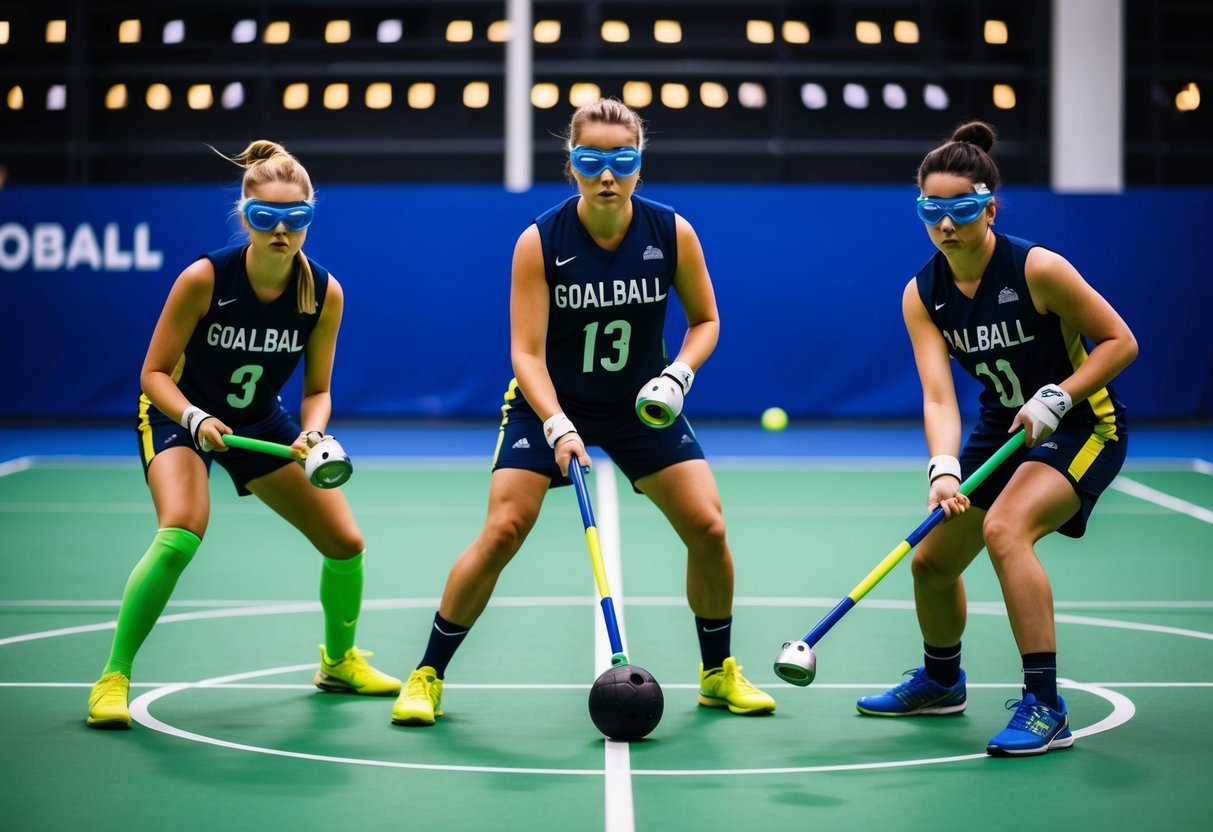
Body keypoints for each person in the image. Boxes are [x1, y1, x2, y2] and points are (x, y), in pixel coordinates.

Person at [390, 98, 775, 727]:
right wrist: (557, 423)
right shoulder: (539, 241)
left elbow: (706, 321)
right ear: (570, 164)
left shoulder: (671, 232)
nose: (606, 174)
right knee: (505, 529)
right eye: (590, 160)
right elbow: (526, 353)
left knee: (707, 526)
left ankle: (717, 673)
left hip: (641, 406)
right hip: (549, 402)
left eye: (621, 160)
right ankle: (427, 674)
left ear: (639, 166)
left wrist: (678, 374)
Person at [86, 140, 400, 729]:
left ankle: (338, 662)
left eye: (296, 218)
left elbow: (318, 389)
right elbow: (153, 373)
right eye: (265, 217)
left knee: (345, 543)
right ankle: (112, 678)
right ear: (245, 216)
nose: (281, 230)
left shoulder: (322, 293)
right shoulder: (205, 278)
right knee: (181, 532)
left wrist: (312, 433)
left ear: (310, 216)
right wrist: (194, 419)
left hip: (258, 421)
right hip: (178, 417)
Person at [855, 122, 1137, 756]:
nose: (945, 224)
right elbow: (936, 394)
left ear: (988, 206)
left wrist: (1060, 394)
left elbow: (1121, 342)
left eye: (960, 209)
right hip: (1001, 428)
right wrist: (944, 468)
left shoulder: (1038, 268)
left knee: (1005, 530)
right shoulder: (922, 293)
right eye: (932, 210)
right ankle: (941, 679)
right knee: (931, 560)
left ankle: (1045, 705)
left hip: (1085, 424)